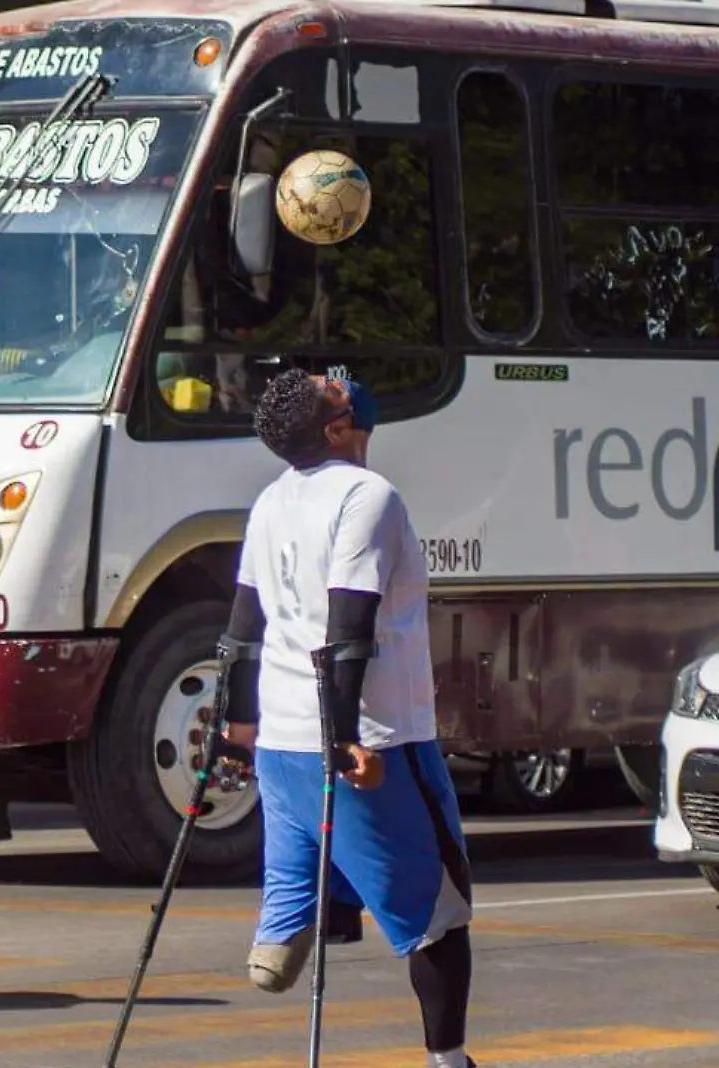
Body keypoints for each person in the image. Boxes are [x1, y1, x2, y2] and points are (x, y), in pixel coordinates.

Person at [219, 370, 476, 1068]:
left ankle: (288, 928)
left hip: (281, 743)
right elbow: (349, 626)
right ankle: (450, 1064)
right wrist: (347, 738)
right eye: (329, 386)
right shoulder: (368, 496)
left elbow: (243, 628)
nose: (340, 378)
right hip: (371, 739)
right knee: (440, 917)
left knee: (304, 863)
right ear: (337, 429)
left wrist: (237, 723)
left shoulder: (271, 500)